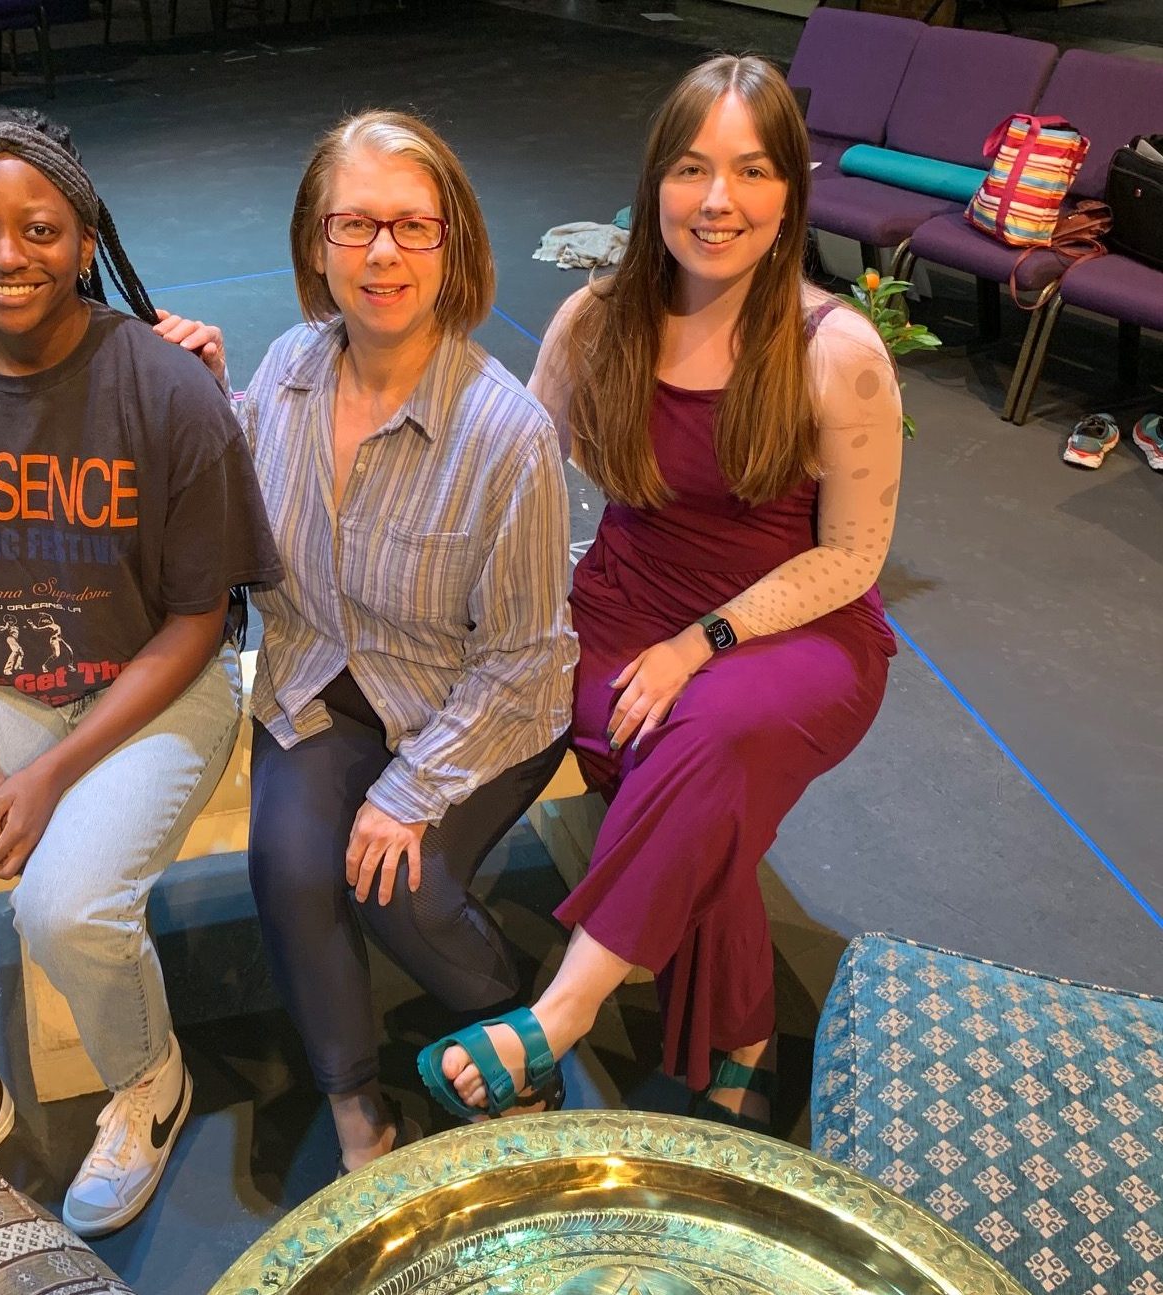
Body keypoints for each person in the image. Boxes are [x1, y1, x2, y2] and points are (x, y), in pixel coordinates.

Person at [421, 54, 902, 1133]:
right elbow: (517, 475)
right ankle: (739, 1039)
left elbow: (852, 558)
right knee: (691, 775)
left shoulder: (841, 350)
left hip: (794, 626)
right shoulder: (599, 320)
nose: (719, 199)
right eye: (692, 168)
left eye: (751, 170)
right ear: (656, 186)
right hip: (623, 603)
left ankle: (558, 1012)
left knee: (708, 732)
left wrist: (705, 639)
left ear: (790, 194)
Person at [0, 108, 280, 1247]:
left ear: (85, 237)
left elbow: (199, 620)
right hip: (1, 690)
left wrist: (50, 780)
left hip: (153, 687)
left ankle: (149, 1077)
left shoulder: (166, 391)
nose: (6, 255)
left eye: (39, 228)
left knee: (67, 905)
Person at [155, 110, 578, 1173]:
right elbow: (258, 517)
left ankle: (517, 1046)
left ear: (454, 245)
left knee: (401, 890)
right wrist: (214, 401)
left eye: (411, 226)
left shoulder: (508, 432)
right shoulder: (295, 366)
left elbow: (527, 658)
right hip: (322, 681)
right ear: (316, 243)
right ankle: (357, 1113)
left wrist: (409, 790)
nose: (382, 252)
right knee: (291, 868)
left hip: (477, 707)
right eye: (354, 224)